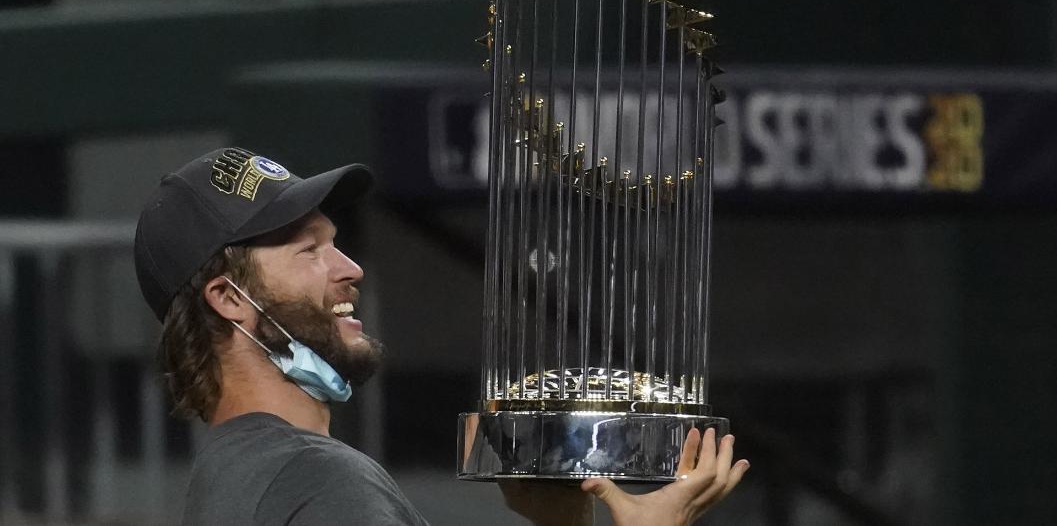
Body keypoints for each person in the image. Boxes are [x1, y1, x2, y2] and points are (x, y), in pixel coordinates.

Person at [133, 146, 750, 526]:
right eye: (308, 251)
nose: (349, 268)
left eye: (336, 242)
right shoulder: (316, 482)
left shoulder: (234, 471)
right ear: (227, 300)